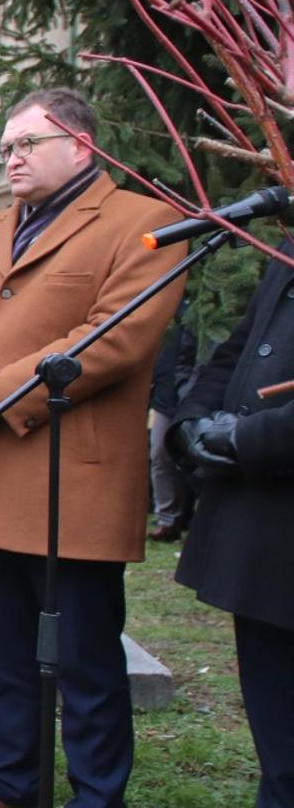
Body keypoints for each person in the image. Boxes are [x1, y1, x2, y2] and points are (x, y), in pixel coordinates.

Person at [0, 88, 187, 808]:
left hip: (73, 478)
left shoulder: (146, 223)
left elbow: (115, 340)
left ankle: (97, 795)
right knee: (2, 652)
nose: (11, 159)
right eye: (5, 148)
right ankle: (10, 783)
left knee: (85, 658)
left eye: (26, 145)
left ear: (82, 146)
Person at [167, 242, 294, 808]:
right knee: (277, 724)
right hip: (265, 534)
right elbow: (240, 348)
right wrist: (192, 421)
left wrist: (250, 438)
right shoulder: (286, 251)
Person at [146, 300, 197, 542]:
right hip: (165, 395)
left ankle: (197, 521)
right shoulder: (165, 307)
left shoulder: (198, 308)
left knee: (198, 460)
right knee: (159, 453)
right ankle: (167, 519)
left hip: (194, 394)